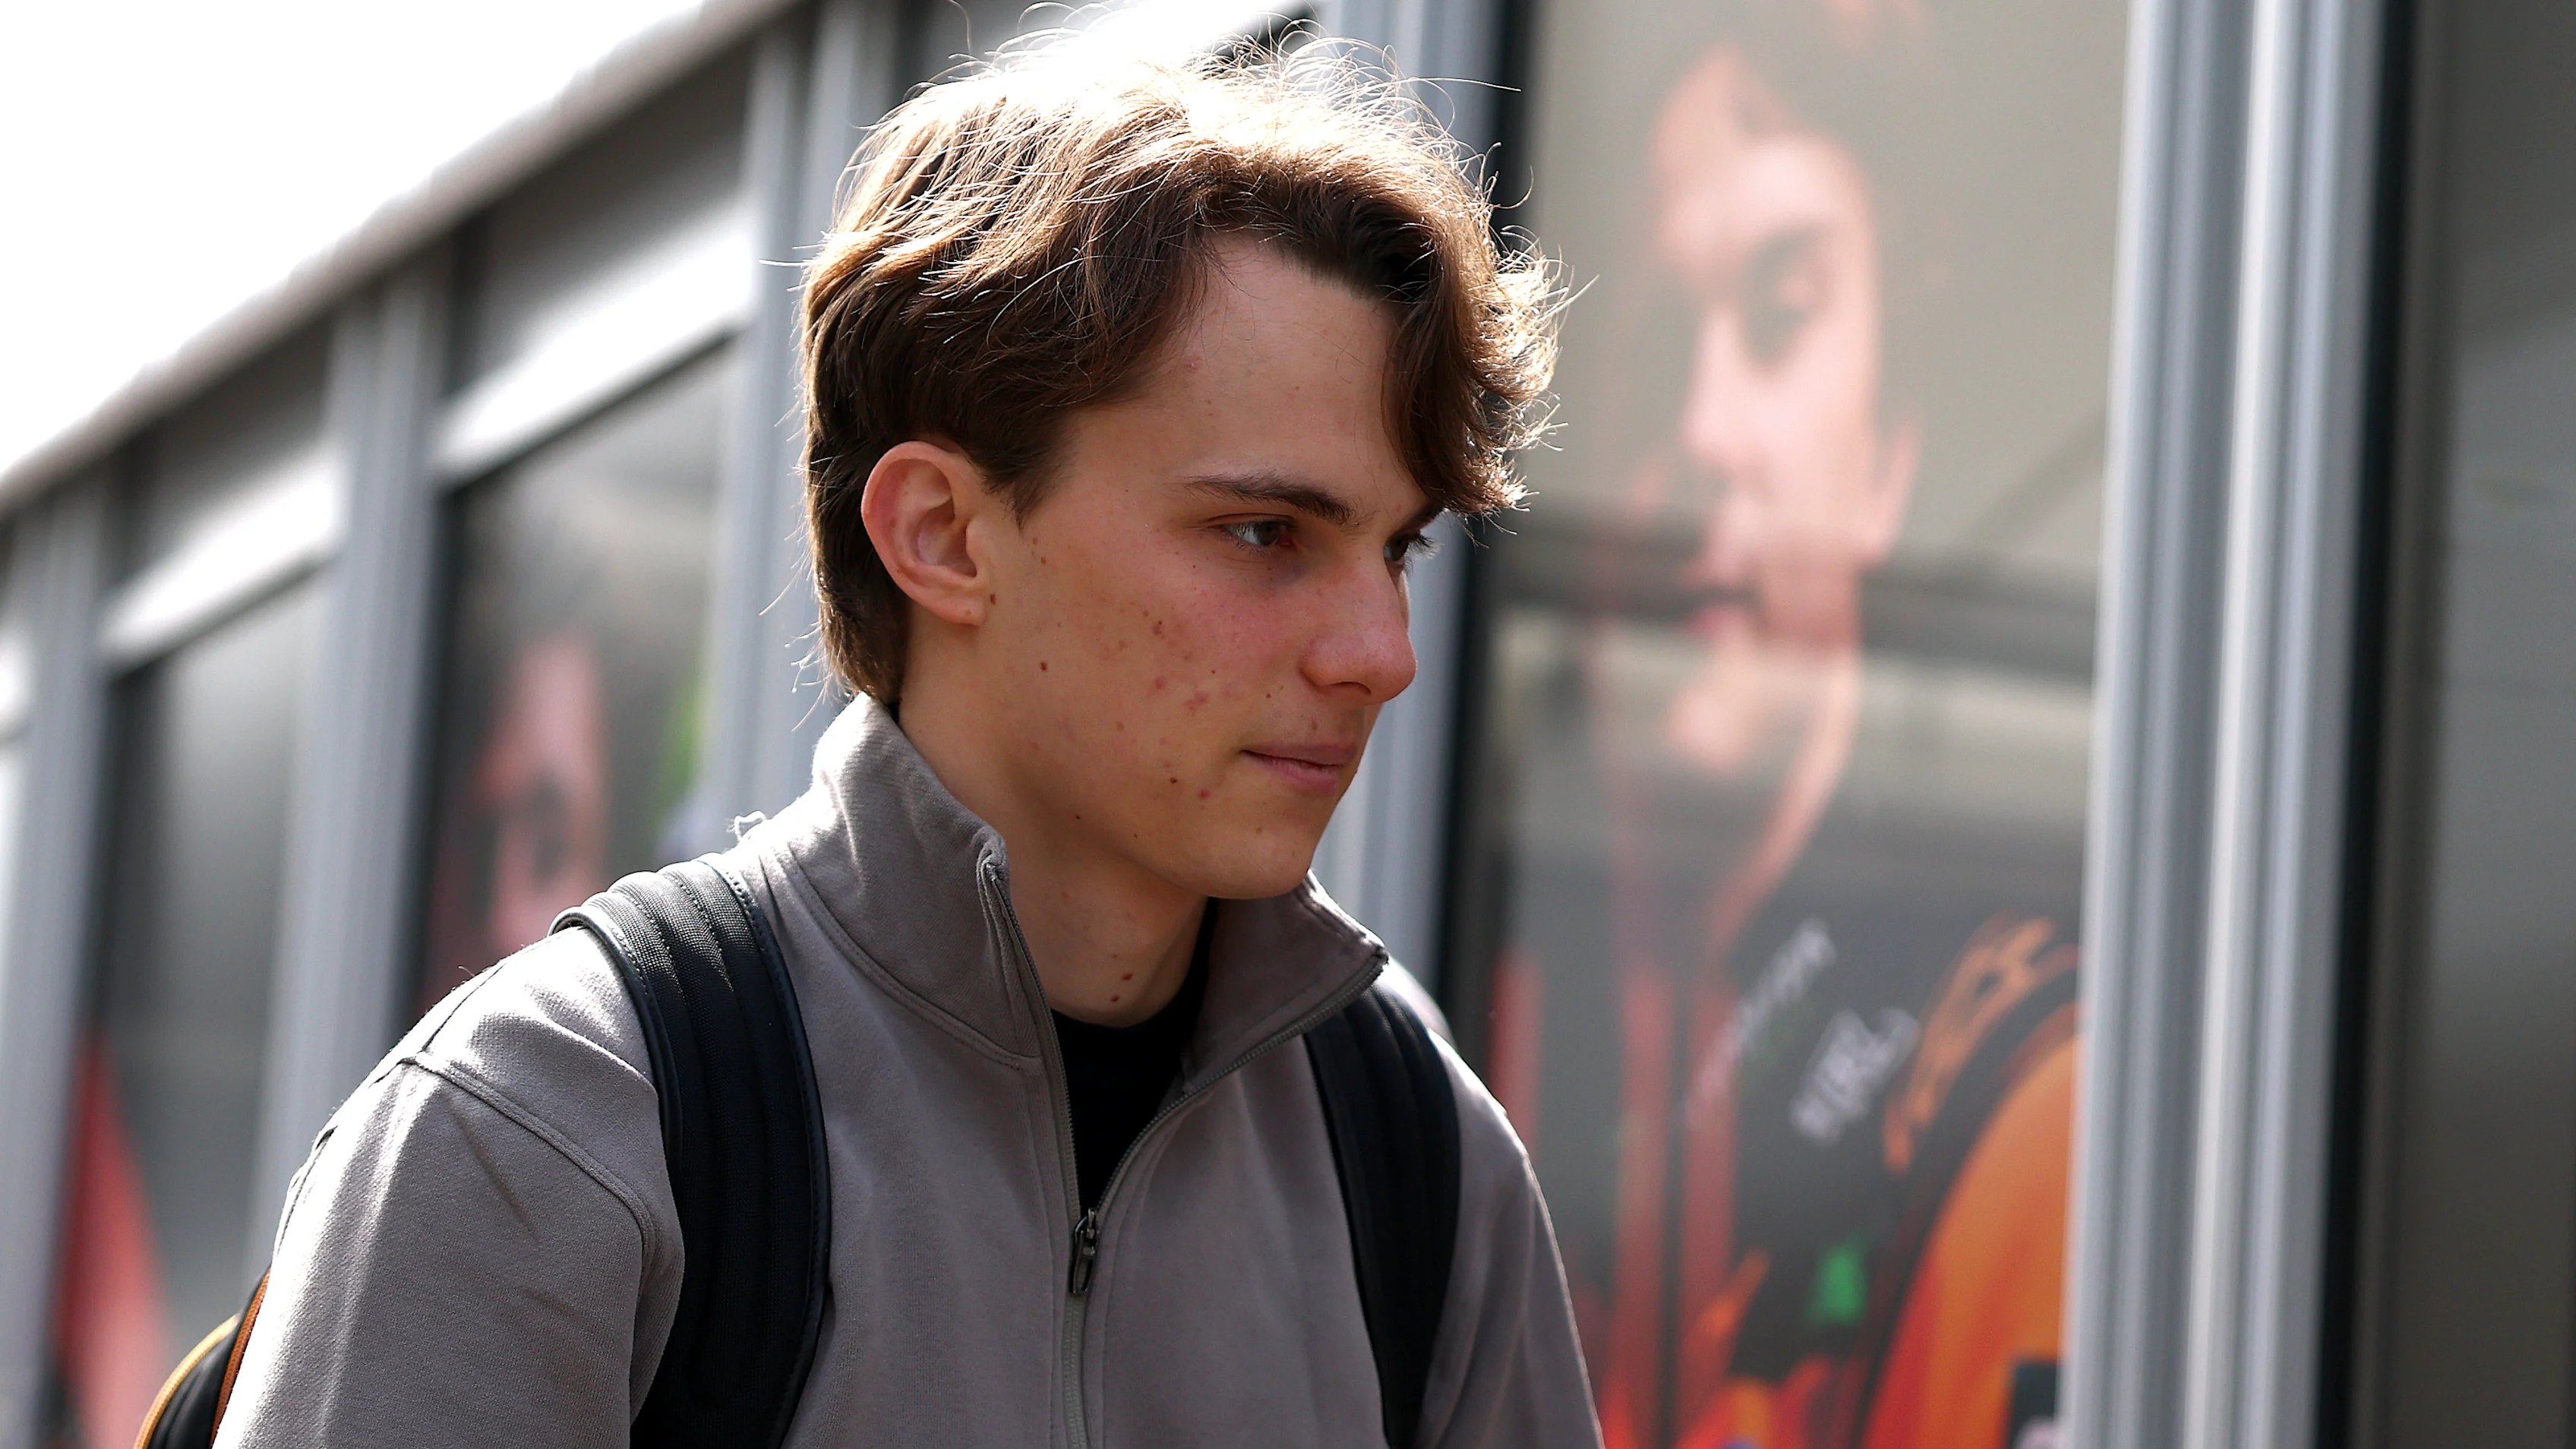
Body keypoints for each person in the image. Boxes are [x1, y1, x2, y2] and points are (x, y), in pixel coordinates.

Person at [215, 39, 1601, 1448]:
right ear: (941, 535)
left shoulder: (1417, 1157)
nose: (1381, 654)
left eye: (1397, 549)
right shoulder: (552, 1126)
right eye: (1263, 533)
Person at [1553, 8, 2081, 1447]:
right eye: (1653, 349)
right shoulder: (1475, 1031)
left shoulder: (2025, 1105)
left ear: (1888, 457)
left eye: (1781, 318)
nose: (1704, 430)